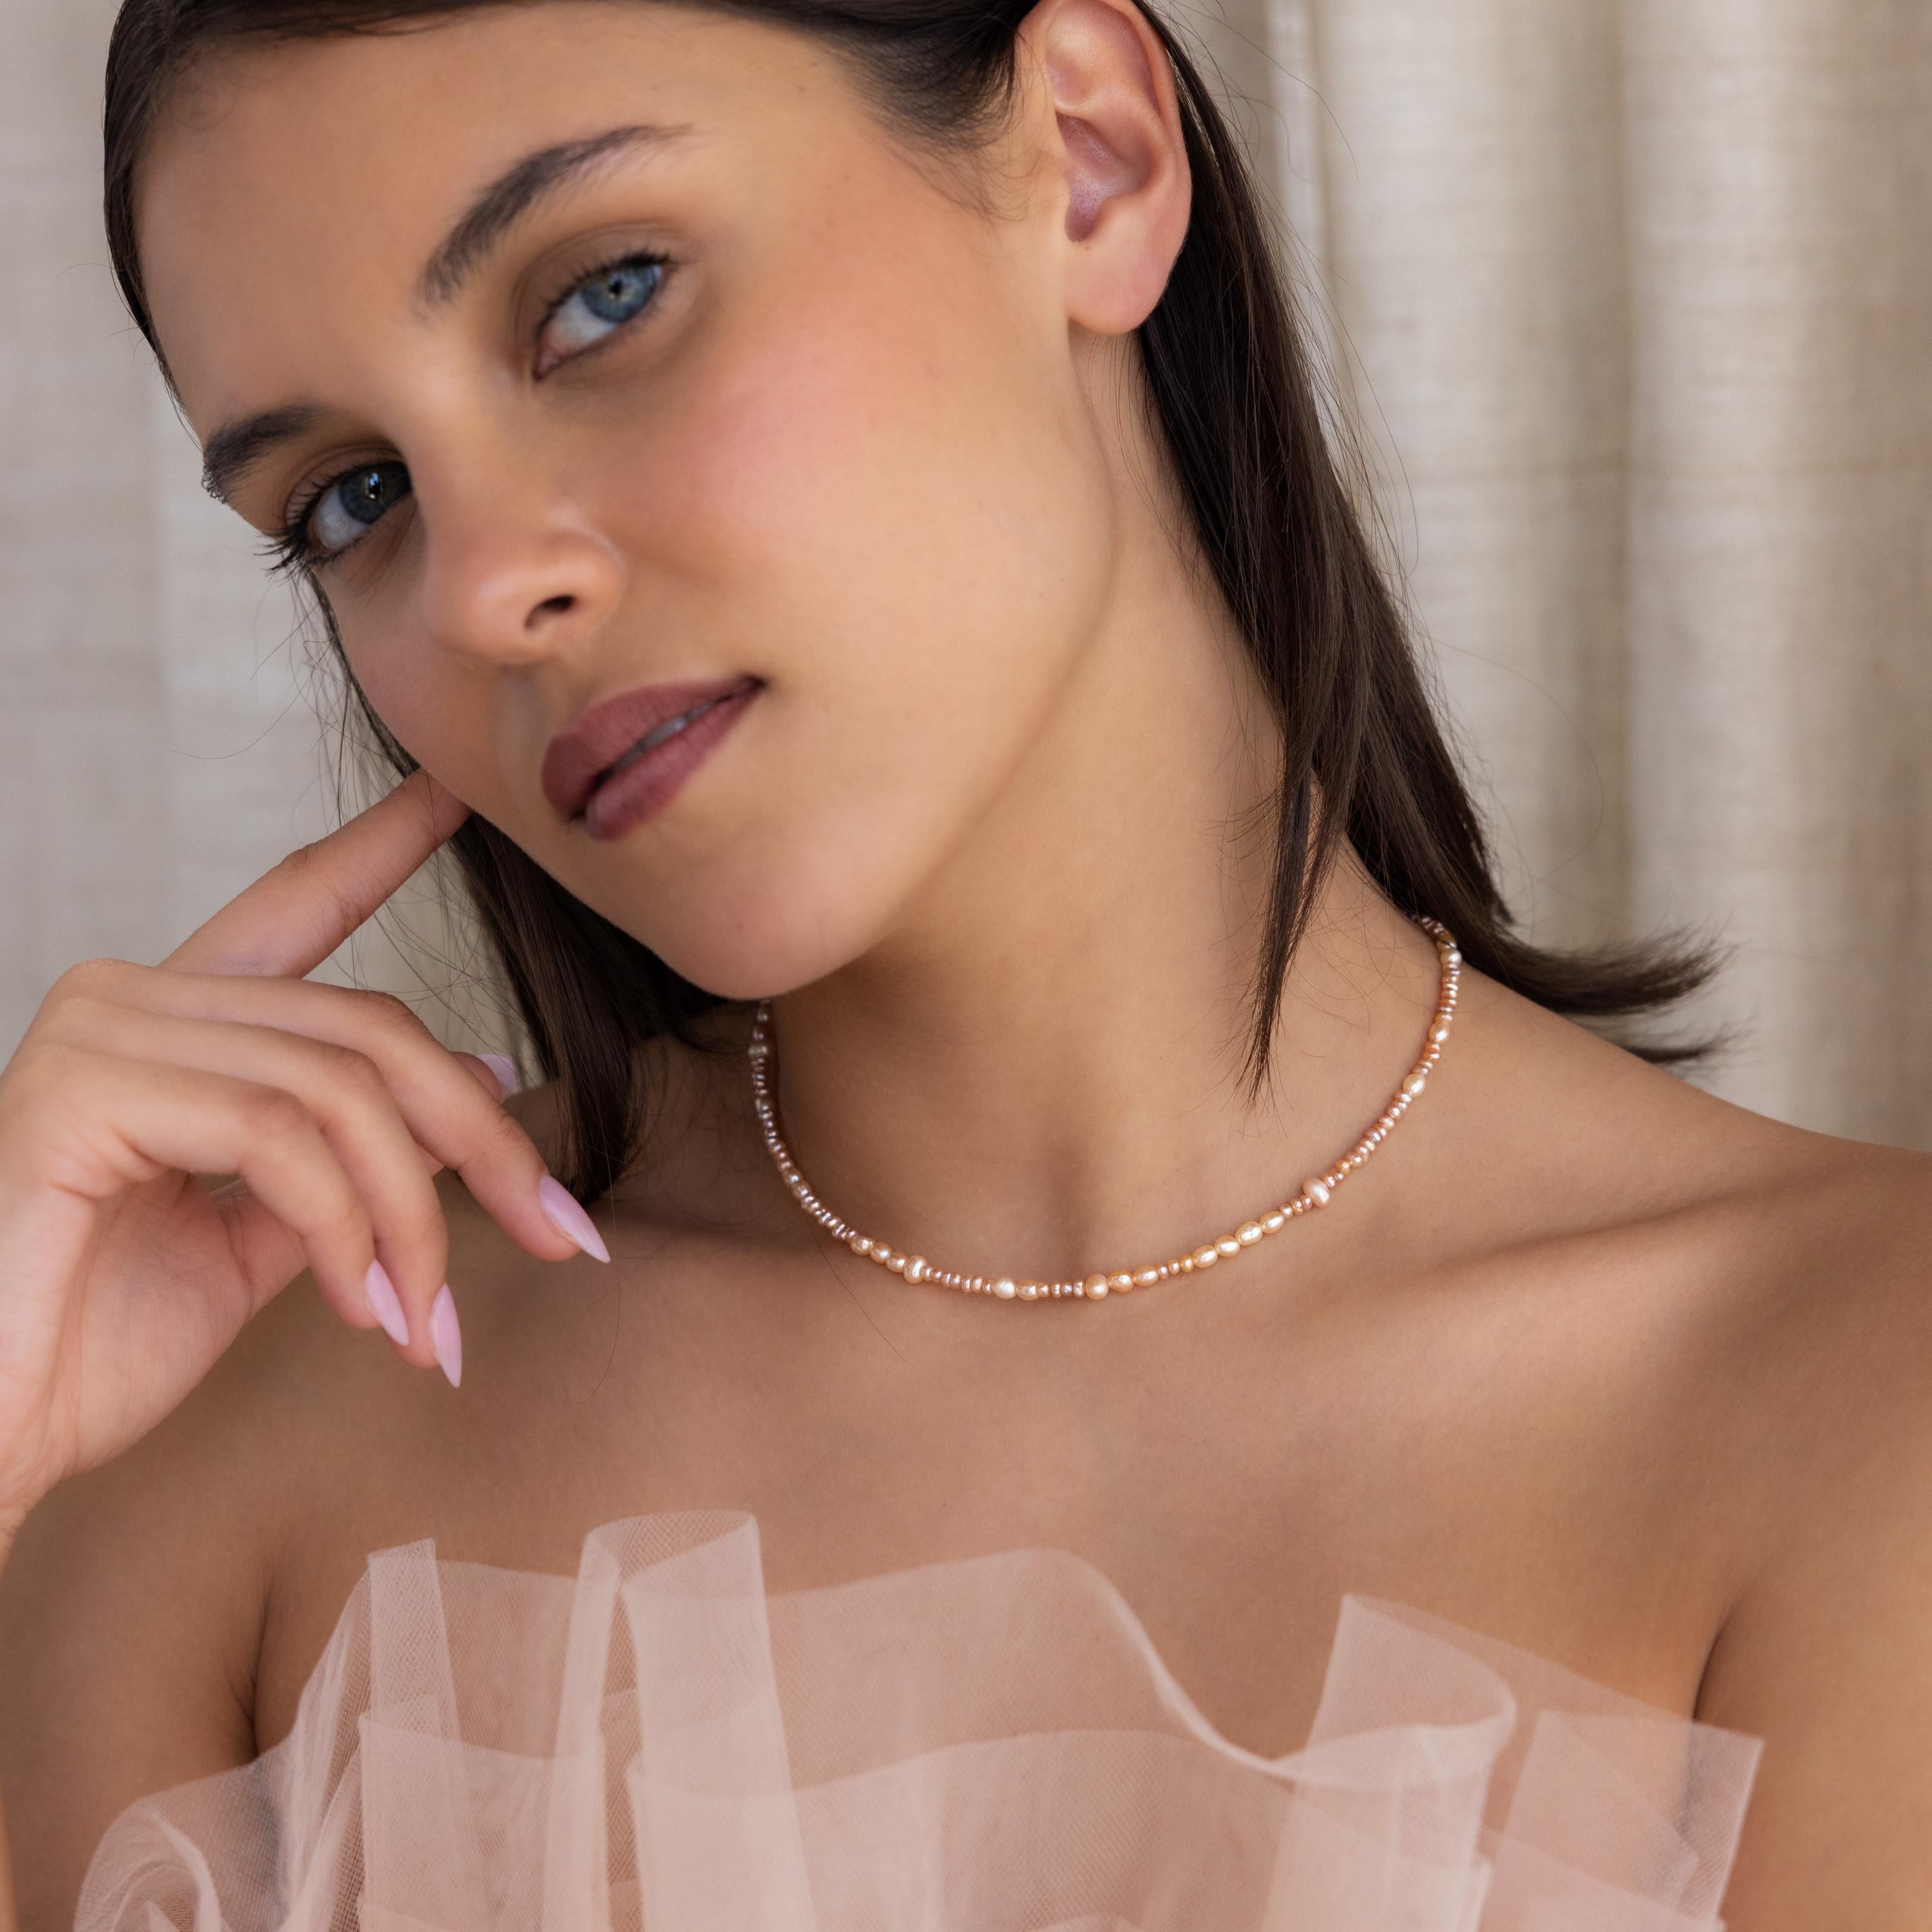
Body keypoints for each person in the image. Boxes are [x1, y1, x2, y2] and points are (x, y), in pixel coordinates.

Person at [0, 0, 1925, 1924]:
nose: (491, 587)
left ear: (1091, 158)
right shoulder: (215, 1451)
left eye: (604, 297)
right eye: (354, 498)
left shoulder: (1850, 1417)